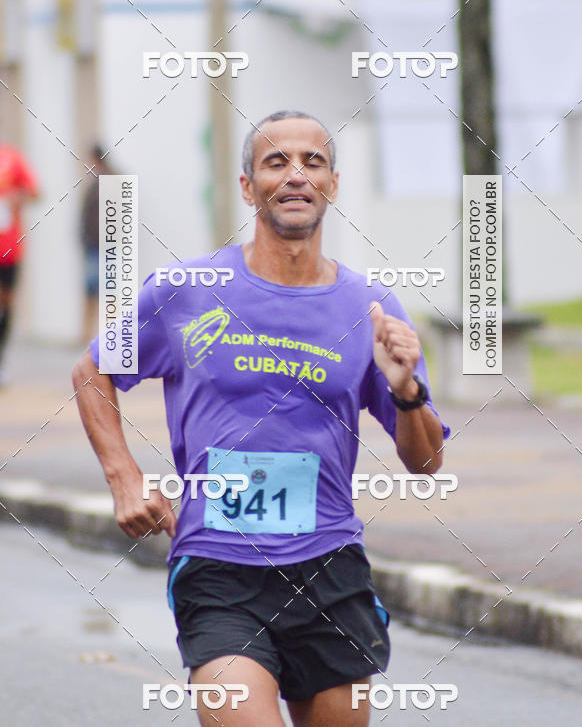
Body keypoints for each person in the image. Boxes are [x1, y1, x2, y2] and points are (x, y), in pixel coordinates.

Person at [72, 111, 450, 726]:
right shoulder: (187, 289)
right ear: (248, 187)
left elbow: (427, 462)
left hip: (329, 564)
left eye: (312, 162)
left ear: (332, 184)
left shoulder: (371, 307)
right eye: (277, 162)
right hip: (219, 566)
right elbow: (93, 370)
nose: (296, 174)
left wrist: (406, 390)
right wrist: (124, 478)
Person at [0, 141, 39, 385]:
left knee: (6, 304)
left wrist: (17, 197)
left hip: (8, 249)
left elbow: (35, 192)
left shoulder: (11, 158)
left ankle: (1, 359)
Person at [79, 144, 113, 344]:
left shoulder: (109, 180)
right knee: (92, 290)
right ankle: (88, 333)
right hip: (94, 244)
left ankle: (106, 331)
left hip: (102, 245)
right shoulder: (97, 180)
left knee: (103, 289)